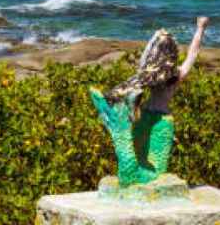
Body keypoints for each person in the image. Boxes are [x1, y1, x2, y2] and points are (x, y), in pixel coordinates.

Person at [89, 16, 209, 186]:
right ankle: (145, 191)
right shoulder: (176, 76)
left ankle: (131, 186)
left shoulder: (148, 75)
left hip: (143, 117)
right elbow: (193, 53)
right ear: (172, 54)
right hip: (161, 122)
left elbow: (141, 67)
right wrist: (200, 29)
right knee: (155, 170)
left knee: (137, 158)